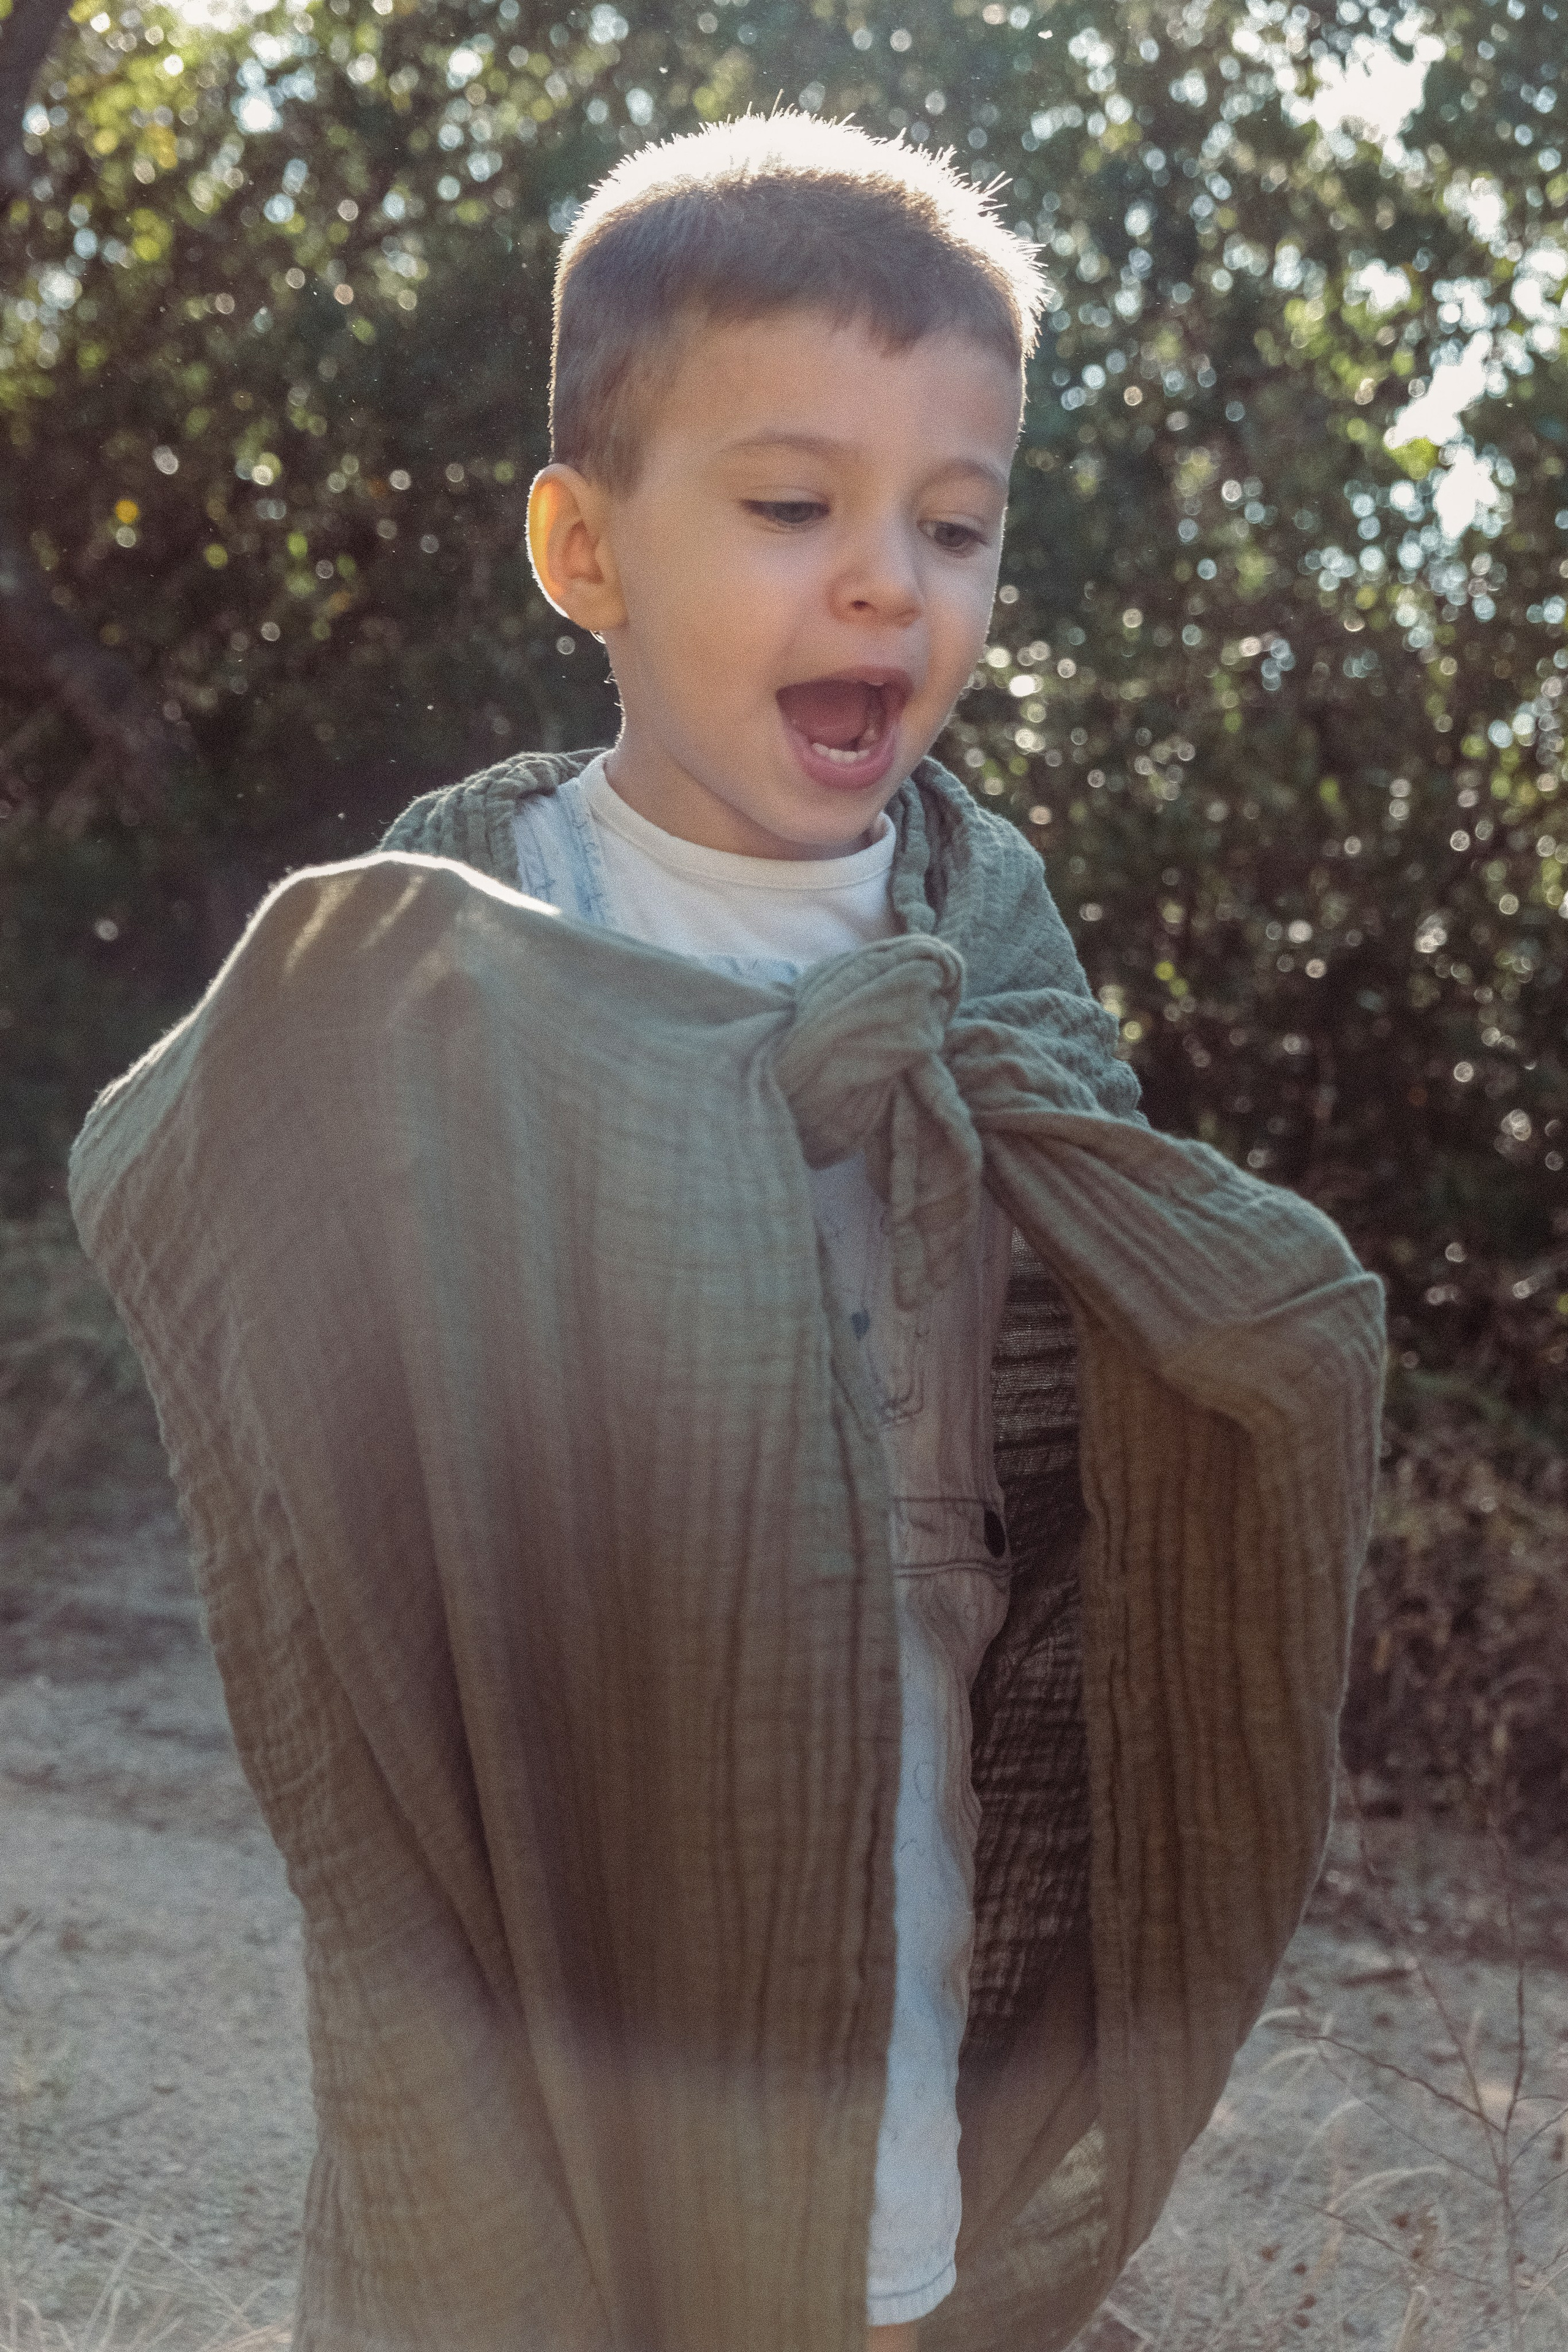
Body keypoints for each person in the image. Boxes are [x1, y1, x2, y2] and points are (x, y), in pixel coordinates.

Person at [72, 114, 1385, 2352]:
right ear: (584, 549)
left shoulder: (996, 936)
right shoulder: (470, 925)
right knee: (558, 2259)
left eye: (953, 526)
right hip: (583, 1759)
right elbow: (190, 1174)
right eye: (794, 508)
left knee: (870, 2239)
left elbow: (1118, 1306)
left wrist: (1239, 1306)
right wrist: (688, 1103)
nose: (889, 581)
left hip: (910, 1765)